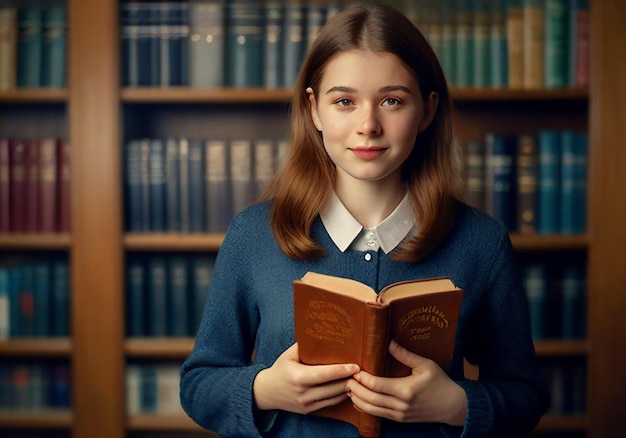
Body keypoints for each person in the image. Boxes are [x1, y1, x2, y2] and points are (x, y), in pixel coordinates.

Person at [180, 4, 549, 437]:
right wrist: (266, 389)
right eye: (344, 102)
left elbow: (526, 398)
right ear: (314, 110)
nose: (368, 125)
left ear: (427, 111)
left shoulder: (482, 242)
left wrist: (455, 404)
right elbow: (198, 384)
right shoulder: (254, 235)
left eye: (392, 101)